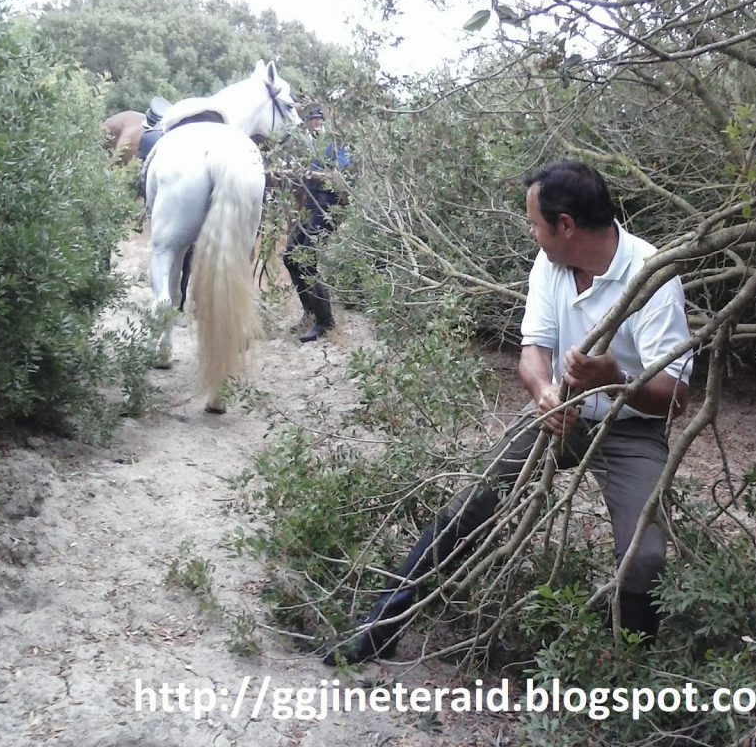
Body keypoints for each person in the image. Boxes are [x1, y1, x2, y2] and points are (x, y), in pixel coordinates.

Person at [323, 160, 693, 666]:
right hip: (561, 415)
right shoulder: (551, 263)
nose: (531, 233)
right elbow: (532, 352)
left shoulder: (654, 276)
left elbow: (673, 397)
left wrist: (614, 380)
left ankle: (627, 679)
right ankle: (383, 624)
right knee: (474, 498)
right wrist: (544, 393)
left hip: (631, 430)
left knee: (645, 558)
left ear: (565, 225)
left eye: (535, 224)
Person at [283, 103, 354, 343]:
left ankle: (326, 322)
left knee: (307, 257)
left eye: (318, 119)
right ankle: (310, 313)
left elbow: (340, 177)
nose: (315, 123)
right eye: (311, 119)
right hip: (312, 205)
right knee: (290, 256)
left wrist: (311, 174)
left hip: (329, 206)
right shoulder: (308, 145)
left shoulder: (337, 143)